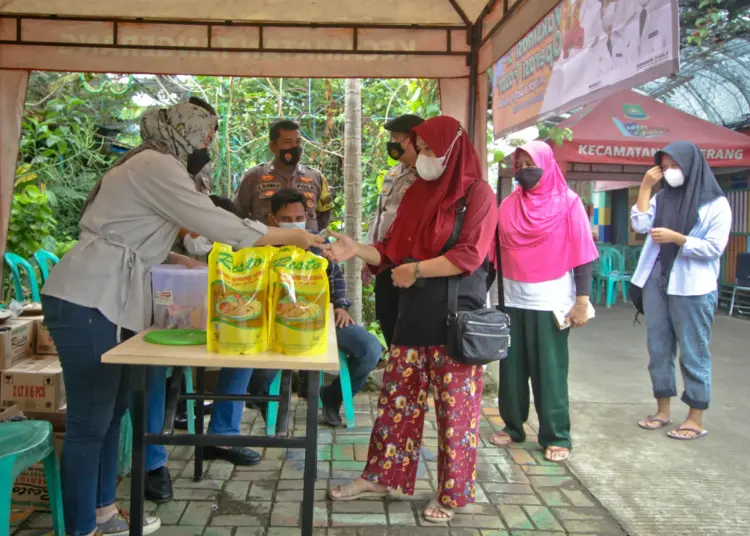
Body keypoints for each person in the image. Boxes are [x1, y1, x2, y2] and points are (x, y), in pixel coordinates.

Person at [40, 102, 323, 536]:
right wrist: (297, 235)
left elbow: (172, 237)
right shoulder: (155, 165)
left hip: (109, 299)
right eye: (205, 136)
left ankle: (102, 513)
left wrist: (179, 256)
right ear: (183, 131)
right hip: (89, 298)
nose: (207, 145)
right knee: (89, 423)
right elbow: (215, 223)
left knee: (114, 414)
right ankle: (79, 529)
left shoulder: (156, 165)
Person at [324, 116, 497, 524]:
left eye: (429, 149)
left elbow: (470, 254)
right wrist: (356, 250)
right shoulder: (419, 191)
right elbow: (390, 251)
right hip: (412, 316)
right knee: (396, 403)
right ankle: (382, 475)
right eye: (419, 149)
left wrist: (417, 270)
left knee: (456, 413)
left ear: (452, 148)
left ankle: (453, 493)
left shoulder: (478, 194)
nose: (423, 157)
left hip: (455, 320)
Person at [145, 195, 263, 505]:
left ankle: (222, 436)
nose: (205, 238)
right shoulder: (163, 234)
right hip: (166, 330)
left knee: (243, 352)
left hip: (215, 330)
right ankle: (152, 462)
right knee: (152, 369)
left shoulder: (238, 253)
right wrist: (179, 261)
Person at [490, 141, 598, 463]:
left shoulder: (569, 203)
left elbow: (583, 255)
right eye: (519, 164)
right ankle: (513, 426)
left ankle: (555, 434)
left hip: (551, 300)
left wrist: (581, 301)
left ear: (546, 164)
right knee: (511, 368)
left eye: (529, 163)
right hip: (511, 296)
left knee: (549, 371)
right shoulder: (508, 205)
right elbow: (494, 252)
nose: (523, 169)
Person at [248, 189, 383, 427]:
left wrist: (340, 306)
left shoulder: (318, 243)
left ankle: (332, 397)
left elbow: (335, 276)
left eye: (298, 218)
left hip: (323, 319)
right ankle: (264, 400)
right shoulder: (260, 246)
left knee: (370, 349)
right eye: (286, 220)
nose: (294, 224)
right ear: (272, 221)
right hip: (275, 326)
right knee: (265, 367)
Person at [632, 141, 730, 440]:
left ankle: (695, 417)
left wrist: (679, 239)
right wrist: (646, 188)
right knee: (658, 348)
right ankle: (662, 410)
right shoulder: (663, 198)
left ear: (691, 166)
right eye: (665, 167)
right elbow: (639, 224)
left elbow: (714, 248)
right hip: (657, 280)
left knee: (693, 351)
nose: (670, 172)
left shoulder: (715, 204)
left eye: (676, 166)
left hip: (693, 287)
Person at [366, 114, 424, 348]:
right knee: (386, 317)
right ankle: (396, 370)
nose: (392, 143)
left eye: (397, 138)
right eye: (391, 137)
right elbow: (380, 216)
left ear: (413, 140)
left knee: (408, 325)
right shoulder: (393, 174)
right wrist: (368, 254)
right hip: (383, 260)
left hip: (408, 263)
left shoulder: (427, 175)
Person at [234, 119, 334, 231]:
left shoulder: (316, 177)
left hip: (307, 246)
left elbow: (324, 214)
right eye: (287, 142)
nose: (295, 146)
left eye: (298, 142)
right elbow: (237, 214)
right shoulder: (253, 177)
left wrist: (311, 233)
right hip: (266, 247)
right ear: (273, 146)